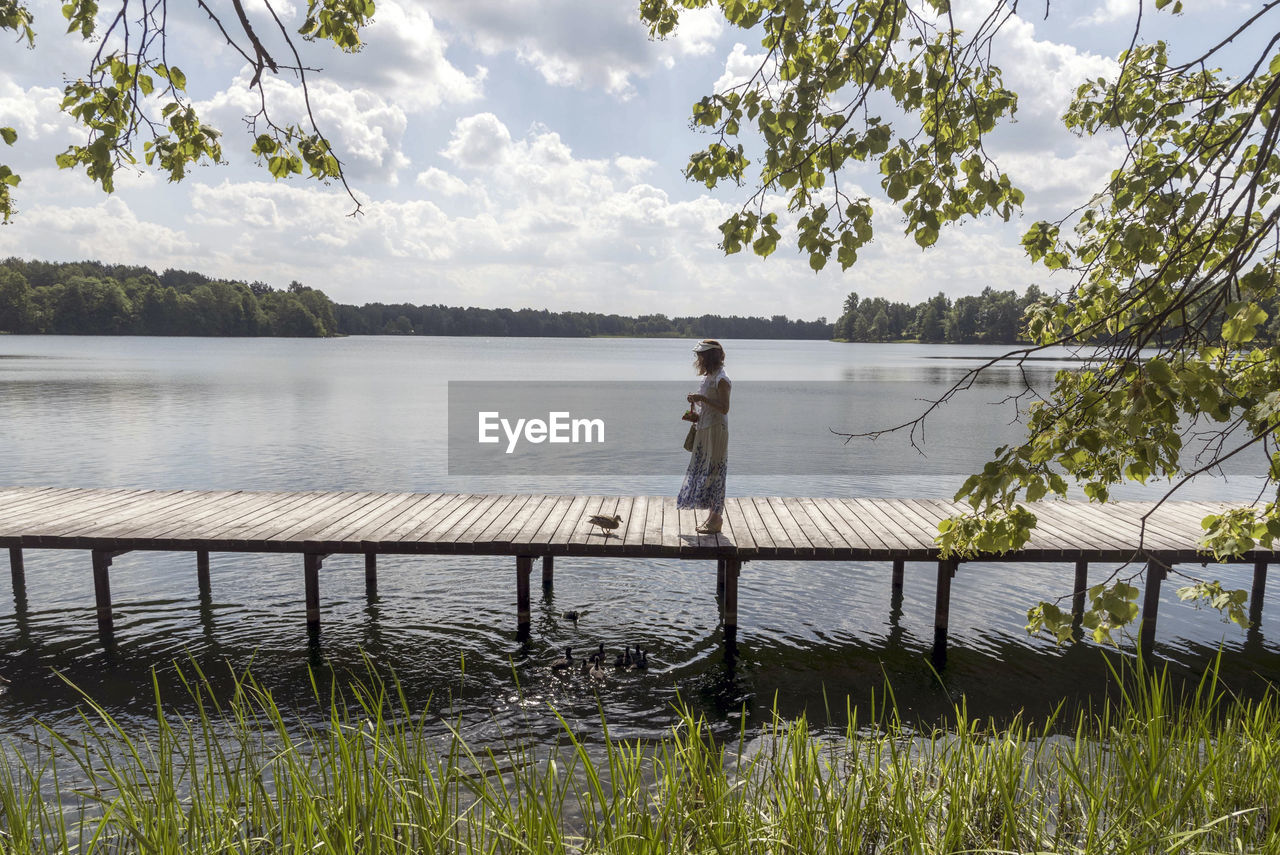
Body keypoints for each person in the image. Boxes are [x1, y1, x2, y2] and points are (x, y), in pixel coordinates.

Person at [678, 339, 731, 534]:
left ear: (709, 357)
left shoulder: (722, 379)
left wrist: (702, 399)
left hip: (717, 430)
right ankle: (712, 516)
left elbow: (725, 408)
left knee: (716, 471)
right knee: (707, 471)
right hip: (705, 427)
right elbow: (710, 405)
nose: (698, 358)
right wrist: (696, 402)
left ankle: (716, 519)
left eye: (701, 355)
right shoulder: (709, 377)